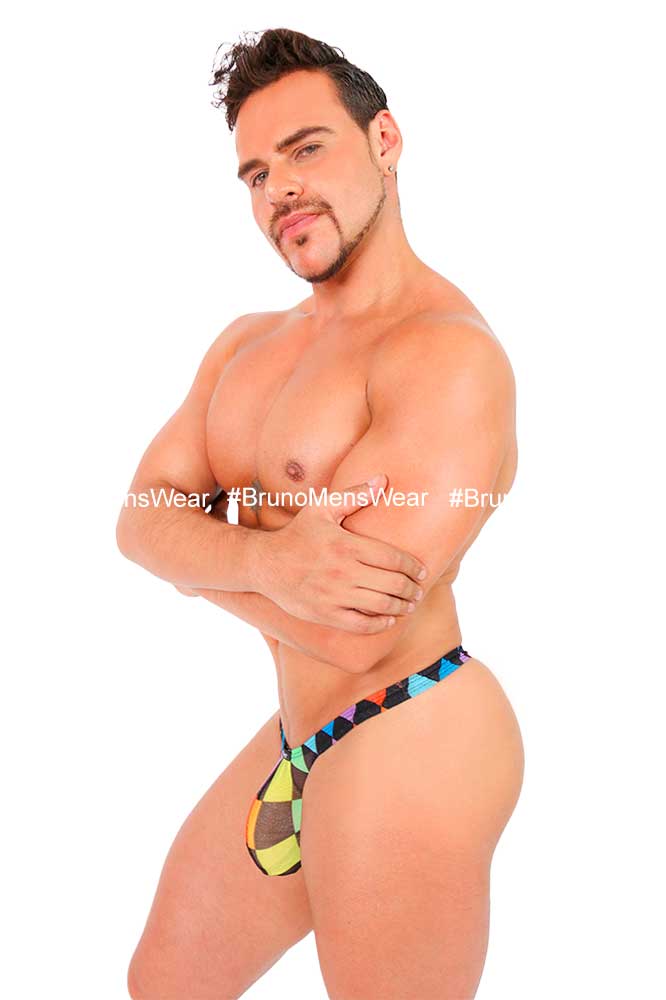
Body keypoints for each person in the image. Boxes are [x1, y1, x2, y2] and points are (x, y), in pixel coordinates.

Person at [117, 27, 525, 1000]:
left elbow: (351, 629)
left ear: (384, 140)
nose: (280, 191)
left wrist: (195, 559)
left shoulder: (447, 356)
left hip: (410, 728)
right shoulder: (247, 346)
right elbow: (138, 519)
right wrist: (265, 562)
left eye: (306, 149)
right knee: (165, 982)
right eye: (257, 173)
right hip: (302, 735)